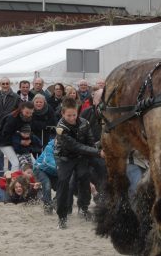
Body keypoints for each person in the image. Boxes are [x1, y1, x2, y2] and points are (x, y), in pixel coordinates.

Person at [54, 97, 105, 229]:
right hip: (65, 158)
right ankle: (62, 217)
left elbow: (90, 141)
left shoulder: (84, 123)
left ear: (77, 112)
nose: (72, 118)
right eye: (69, 115)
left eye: (74, 115)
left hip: (81, 157)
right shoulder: (60, 128)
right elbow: (75, 146)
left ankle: (83, 208)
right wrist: (98, 153)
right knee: (64, 183)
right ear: (63, 114)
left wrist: (96, 151)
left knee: (84, 178)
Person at [0, 77, 20, 173]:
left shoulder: (16, 97)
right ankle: (0, 173)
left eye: (7, 83)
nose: (5, 85)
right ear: (0, 85)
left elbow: (18, 111)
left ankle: (13, 172)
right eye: (3, 84)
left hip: (11, 128)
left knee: (12, 151)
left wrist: (13, 122)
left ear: (9, 84)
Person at [80, 88, 107, 194]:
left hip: (103, 151)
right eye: (99, 100)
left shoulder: (109, 113)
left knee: (103, 170)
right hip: (87, 149)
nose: (101, 102)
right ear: (94, 100)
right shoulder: (87, 113)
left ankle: (101, 197)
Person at [0, 101, 34, 171]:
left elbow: (28, 131)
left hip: (19, 142)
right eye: (27, 112)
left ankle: (28, 179)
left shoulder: (29, 118)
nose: (29, 115)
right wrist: (20, 141)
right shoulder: (12, 118)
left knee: (32, 162)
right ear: (22, 110)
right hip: (4, 142)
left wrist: (29, 140)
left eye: (31, 113)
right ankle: (14, 180)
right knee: (16, 163)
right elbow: (6, 134)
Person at [34, 139, 58, 214]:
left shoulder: (66, 148)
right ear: (56, 140)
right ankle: (47, 207)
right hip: (40, 169)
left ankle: (55, 202)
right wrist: (60, 167)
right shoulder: (49, 147)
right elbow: (48, 161)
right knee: (47, 184)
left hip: (54, 172)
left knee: (63, 185)